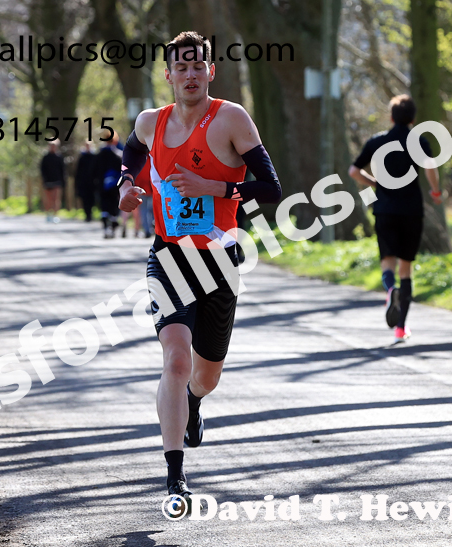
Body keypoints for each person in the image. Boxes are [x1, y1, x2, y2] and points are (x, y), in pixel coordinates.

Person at [117, 31, 281, 512]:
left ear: (210, 71)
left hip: (219, 261)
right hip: (169, 256)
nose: (189, 74)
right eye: (180, 67)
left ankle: (194, 402)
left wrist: (217, 187)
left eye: (198, 67)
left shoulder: (230, 118)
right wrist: (127, 185)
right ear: (167, 75)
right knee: (175, 357)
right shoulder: (151, 122)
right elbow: (131, 152)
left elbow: (269, 187)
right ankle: (174, 476)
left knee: (205, 376)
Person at [348, 95, 442, 343]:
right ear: (413, 118)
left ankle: (390, 291)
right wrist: (435, 191)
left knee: (387, 262)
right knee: (406, 267)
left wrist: (374, 183)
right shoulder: (419, 141)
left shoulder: (377, 141)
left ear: (391, 117)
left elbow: (353, 171)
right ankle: (401, 327)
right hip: (411, 210)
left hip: (385, 209)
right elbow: (431, 169)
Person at [94, 131, 123, 238]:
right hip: (115, 186)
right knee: (114, 207)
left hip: (102, 185)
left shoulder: (99, 155)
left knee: (104, 207)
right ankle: (113, 227)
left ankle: (106, 228)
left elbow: (94, 171)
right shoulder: (118, 155)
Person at [40, 141, 65, 223]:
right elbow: (42, 170)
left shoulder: (59, 157)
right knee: (48, 199)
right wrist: (44, 180)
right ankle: (48, 214)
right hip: (48, 181)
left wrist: (63, 181)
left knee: (56, 199)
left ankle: (55, 215)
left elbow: (62, 170)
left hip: (57, 181)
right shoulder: (45, 157)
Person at [75, 142, 97, 222]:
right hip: (83, 182)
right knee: (84, 199)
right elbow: (78, 171)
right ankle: (87, 214)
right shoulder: (82, 157)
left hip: (92, 182)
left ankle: (90, 214)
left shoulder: (95, 157)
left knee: (91, 199)